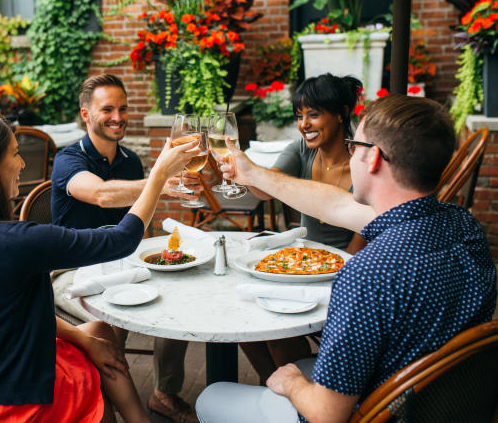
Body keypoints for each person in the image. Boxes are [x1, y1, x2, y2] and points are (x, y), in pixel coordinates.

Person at [196, 95, 497, 422]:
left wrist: (294, 384)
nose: (349, 153)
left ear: (374, 159)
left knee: (212, 396)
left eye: (354, 145)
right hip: (444, 400)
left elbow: (327, 415)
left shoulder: (367, 274)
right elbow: (336, 206)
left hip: (378, 412)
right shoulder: (465, 227)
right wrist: (253, 174)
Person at [0, 108, 200, 423]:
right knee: (92, 384)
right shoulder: (13, 242)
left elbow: (12, 315)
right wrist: (159, 176)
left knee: (98, 332)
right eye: (15, 154)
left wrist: (84, 339)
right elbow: (121, 240)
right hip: (14, 406)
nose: (22, 164)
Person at [51, 74, 200, 423]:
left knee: (177, 300)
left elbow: (136, 220)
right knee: (107, 327)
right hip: (72, 271)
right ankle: (107, 404)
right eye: (107, 109)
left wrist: (165, 186)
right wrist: (160, 180)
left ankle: (165, 392)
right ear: (86, 114)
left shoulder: (130, 160)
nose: (118, 116)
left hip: (122, 263)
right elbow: (101, 194)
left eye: (123, 108)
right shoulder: (67, 159)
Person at [241, 73, 367, 384]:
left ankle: (302, 392)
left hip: (347, 272)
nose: (304, 124)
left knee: (275, 330)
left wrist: (328, 282)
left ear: (340, 114)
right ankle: (277, 388)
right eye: (300, 116)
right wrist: (238, 167)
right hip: (305, 265)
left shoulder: (363, 161)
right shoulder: (301, 150)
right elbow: (264, 190)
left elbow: (361, 241)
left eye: (314, 114)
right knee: (245, 322)